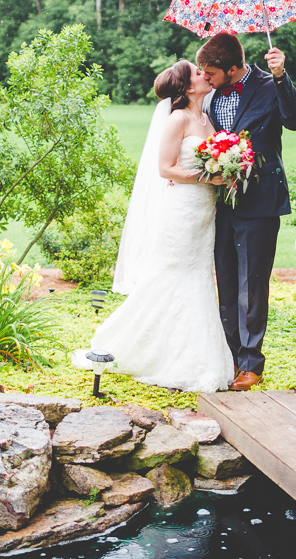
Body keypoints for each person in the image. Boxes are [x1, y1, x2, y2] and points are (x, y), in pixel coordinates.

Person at [74, 59, 235, 393]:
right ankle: (156, 353)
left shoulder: (206, 116)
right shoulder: (177, 118)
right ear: (189, 87)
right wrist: (209, 175)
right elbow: (166, 169)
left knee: (198, 280)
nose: (204, 74)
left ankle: (189, 353)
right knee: (174, 280)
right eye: (197, 72)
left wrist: (229, 170)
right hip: (180, 214)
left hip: (205, 215)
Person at [197, 32, 296, 391]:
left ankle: (250, 363)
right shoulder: (212, 94)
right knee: (225, 281)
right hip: (220, 202)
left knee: (252, 285)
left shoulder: (267, 84)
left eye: (211, 73)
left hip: (260, 201)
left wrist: (281, 76)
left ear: (232, 68)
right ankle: (229, 356)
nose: (206, 79)